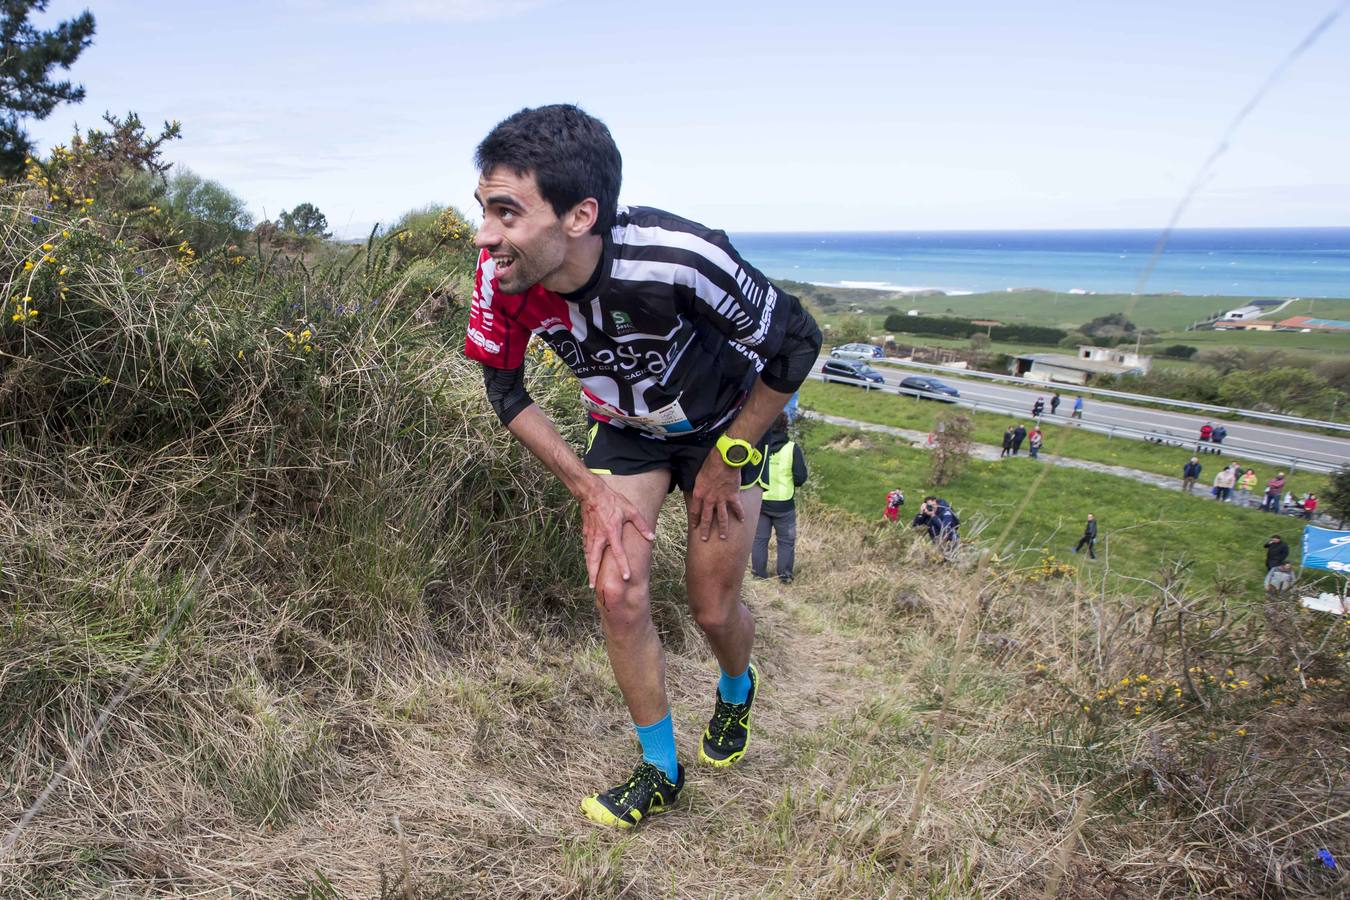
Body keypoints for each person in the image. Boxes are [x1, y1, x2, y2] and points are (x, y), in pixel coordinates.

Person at [464, 105, 822, 828]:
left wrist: (731, 456)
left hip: (726, 425)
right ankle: (660, 770)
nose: (484, 235)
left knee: (711, 607)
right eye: (482, 209)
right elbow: (505, 390)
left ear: (578, 215)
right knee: (616, 590)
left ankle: (736, 683)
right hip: (627, 431)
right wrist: (587, 487)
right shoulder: (502, 276)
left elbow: (798, 342)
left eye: (506, 212)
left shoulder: (677, 259)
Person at [752, 414, 807, 583]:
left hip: (761, 501)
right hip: (784, 505)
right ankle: (785, 576)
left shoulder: (760, 446)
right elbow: (800, 478)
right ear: (785, 426)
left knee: (760, 540)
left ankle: (758, 574)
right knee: (786, 542)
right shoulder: (792, 448)